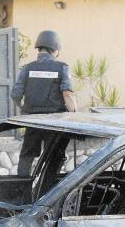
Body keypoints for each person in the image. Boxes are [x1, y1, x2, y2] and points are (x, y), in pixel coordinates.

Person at [11, 30, 77, 176]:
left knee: (27, 155)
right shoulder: (62, 67)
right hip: (54, 122)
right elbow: (67, 93)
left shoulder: (28, 68)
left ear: (39, 48)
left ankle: (22, 190)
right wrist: (74, 114)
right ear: (55, 49)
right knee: (53, 157)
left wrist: (25, 108)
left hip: (32, 121)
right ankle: (47, 190)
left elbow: (15, 94)